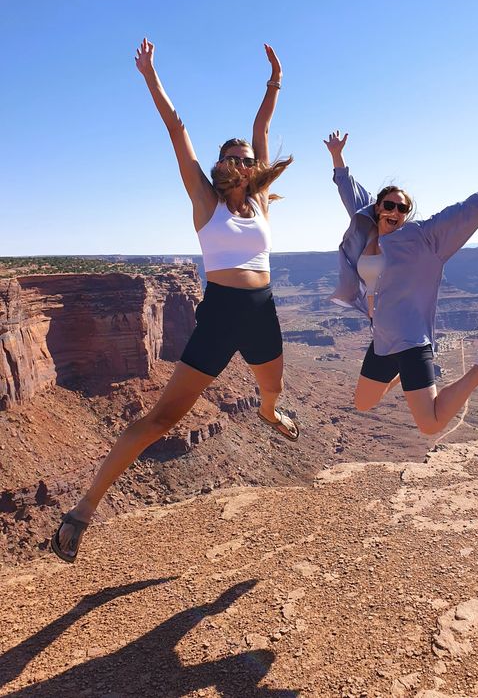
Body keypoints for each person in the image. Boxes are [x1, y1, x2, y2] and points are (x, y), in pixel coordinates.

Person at [51, 39, 297, 564]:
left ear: (254, 169)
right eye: (229, 158)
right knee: (162, 418)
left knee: (272, 392)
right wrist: (150, 76)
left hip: (263, 312)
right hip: (220, 315)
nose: (239, 162)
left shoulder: (260, 205)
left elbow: (263, 131)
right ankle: (83, 510)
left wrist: (274, 80)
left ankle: (269, 413)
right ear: (217, 167)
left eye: (245, 160)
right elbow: (177, 129)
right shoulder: (205, 202)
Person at [323, 130, 478, 437]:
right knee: (364, 402)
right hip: (383, 340)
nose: (395, 211)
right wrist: (337, 157)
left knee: (430, 423)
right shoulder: (367, 226)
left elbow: (455, 215)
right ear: (378, 207)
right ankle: (408, 377)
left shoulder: (423, 238)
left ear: (407, 214)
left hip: (410, 340)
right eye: (389, 205)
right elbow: (350, 193)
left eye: (402, 208)